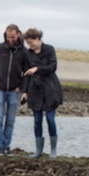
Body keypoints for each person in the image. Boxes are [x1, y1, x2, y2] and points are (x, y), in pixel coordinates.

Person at [0, 24, 30, 155]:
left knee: (10, 120)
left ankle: (7, 145)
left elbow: (27, 71)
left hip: (14, 91)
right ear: (6, 34)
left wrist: (21, 87)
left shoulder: (23, 52)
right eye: (8, 36)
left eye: (13, 36)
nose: (11, 39)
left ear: (17, 34)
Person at [21, 28, 63, 159]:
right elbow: (26, 73)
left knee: (50, 119)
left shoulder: (49, 49)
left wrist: (37, 69)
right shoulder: (28, 54)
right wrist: (24, 91)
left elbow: (53, 67)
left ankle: (53, 150)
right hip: (35, 89)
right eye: (28, 43)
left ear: (38, 38)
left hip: (50, 88)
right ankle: (38, 150)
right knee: (37, 120)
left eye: (31, 41)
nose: (30, 45)